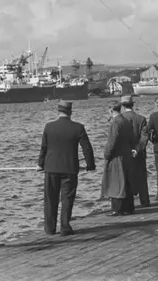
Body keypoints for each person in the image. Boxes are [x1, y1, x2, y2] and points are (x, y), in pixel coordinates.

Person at [38, 100, 96, 236]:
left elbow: (44, 148)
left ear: (58, 111)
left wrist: (40, 164)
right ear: (70, 112)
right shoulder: (78, 128)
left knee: (50, 199)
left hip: (51, 168)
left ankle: (50, 228)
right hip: (69, 168)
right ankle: (65, 227)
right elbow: (87, 148)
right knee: (67, 199)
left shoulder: (49, 127)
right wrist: (90, 165)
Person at [101, 101, 137, 216]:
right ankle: (129, 207)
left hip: (117, 156)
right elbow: (132, 138)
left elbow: (112, 141)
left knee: (116, 182)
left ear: (111, 110)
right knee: (126, 181)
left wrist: (107, 154)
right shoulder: (126, 121)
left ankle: (118, 208)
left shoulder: (115, 122)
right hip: (126, 154)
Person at [119, 95, 150, 207]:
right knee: (141, 178)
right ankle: (145, 201)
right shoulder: (141, 119)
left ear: (122, 106)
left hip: (124, 154)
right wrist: (137, 150)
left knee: (125, 179)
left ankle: (128, 204)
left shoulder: (119, 119)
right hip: (139, 153)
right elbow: (144, 137)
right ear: (132, 104)